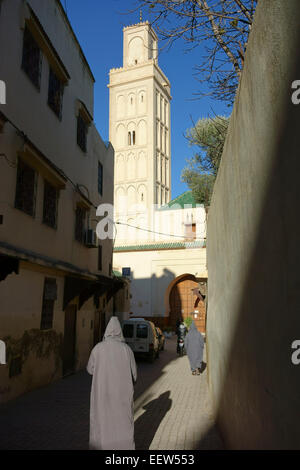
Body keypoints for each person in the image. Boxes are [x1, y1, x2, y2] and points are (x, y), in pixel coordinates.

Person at [87, 316, 137, 450]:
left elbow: (90, 370)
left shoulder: (98, 348)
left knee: (102, 422)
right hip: (122, 396)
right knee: (122, 423)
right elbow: (135, 374)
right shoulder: (127, 350)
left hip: (102, 395)